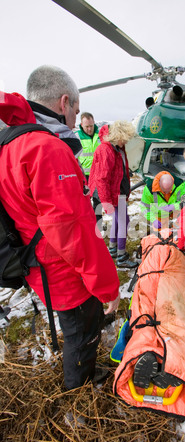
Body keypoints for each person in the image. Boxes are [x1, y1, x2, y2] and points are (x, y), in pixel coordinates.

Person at [0, 65, 120, 391]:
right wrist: (107, 287)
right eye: (76, 112)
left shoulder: (12, 142)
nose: (75, 120)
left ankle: (81, 376)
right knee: (82, 335)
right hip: (65, 273)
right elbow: (72, 231)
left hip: (36, 263)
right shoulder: (47, 148)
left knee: (76, 332)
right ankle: (77, 395)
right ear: (64, 102)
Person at [89, 120, 138, 269]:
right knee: (124, 221)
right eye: (126, 138)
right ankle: (121, 256)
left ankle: (113, 248)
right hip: (110, 192)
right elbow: (102, 178)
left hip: (117, 190)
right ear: (118, 135)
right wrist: (106, 202)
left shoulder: (118, 147)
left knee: (120, 219)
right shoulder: (106, 150)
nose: (127, 141)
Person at [75, 112, 101, 181]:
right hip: (83, 176)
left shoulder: (101, 135)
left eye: (91, 126)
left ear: (94, 123)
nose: (89, 129)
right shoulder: (76, 137)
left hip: (99, 175)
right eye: (87, 126)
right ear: (81, 125)